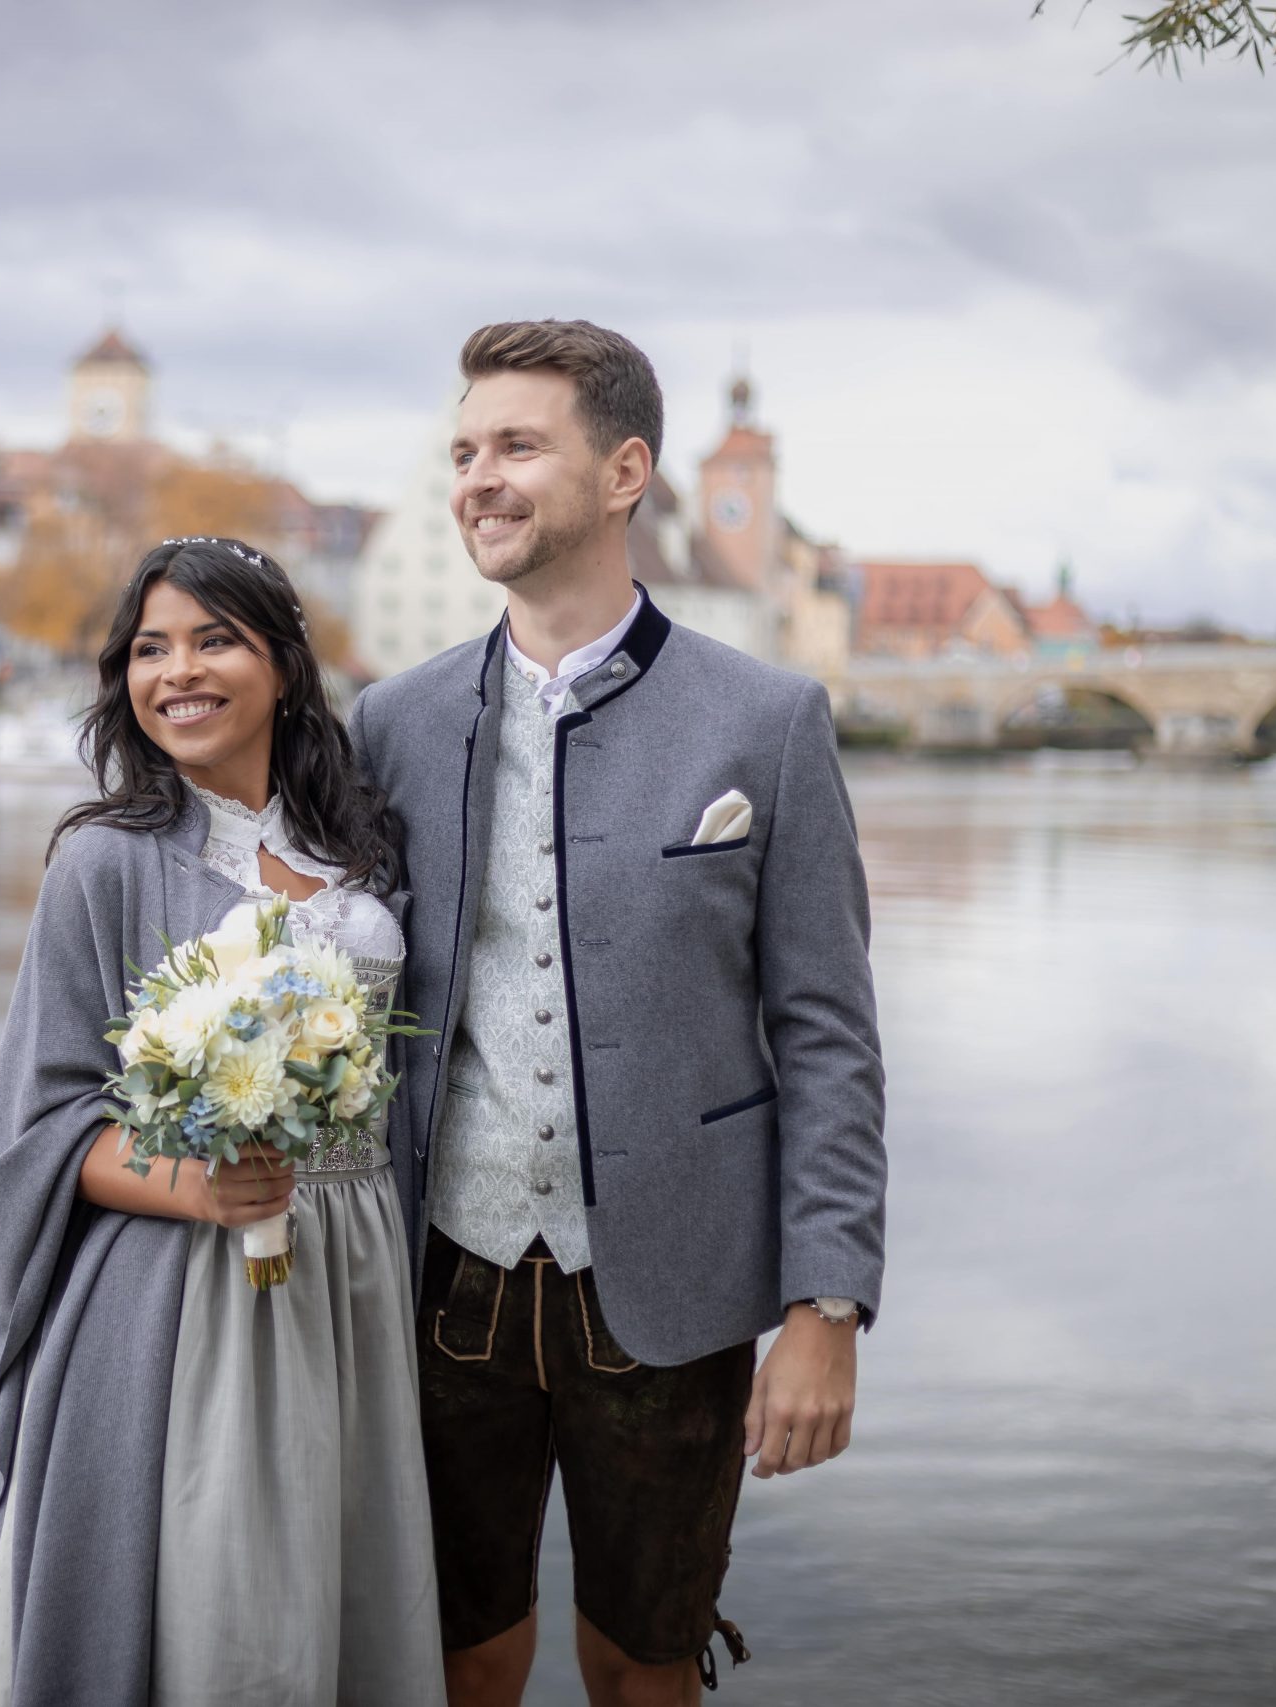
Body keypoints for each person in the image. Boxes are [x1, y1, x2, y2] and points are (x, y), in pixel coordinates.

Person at [349, 320, 888, 1706]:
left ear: (625, 470)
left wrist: (825, 1300)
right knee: (460, 1648)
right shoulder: (391, 722)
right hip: (445, 1274)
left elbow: (825, 1028)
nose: (477, 476)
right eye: (465, 450)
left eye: (517, 445)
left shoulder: (765, 718)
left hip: (673, 1280)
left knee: (644, 1659)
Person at [0, 537, 446, 1706]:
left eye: (212, 639)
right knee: (222, 1608)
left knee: (345, 1598)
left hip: (358, 1271)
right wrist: (193, 1183)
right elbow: (29, 1129)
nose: (176, 671)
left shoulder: (364, 847)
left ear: (282, 662)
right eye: (149, 648)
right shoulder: (104, 861)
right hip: (185, 1294)